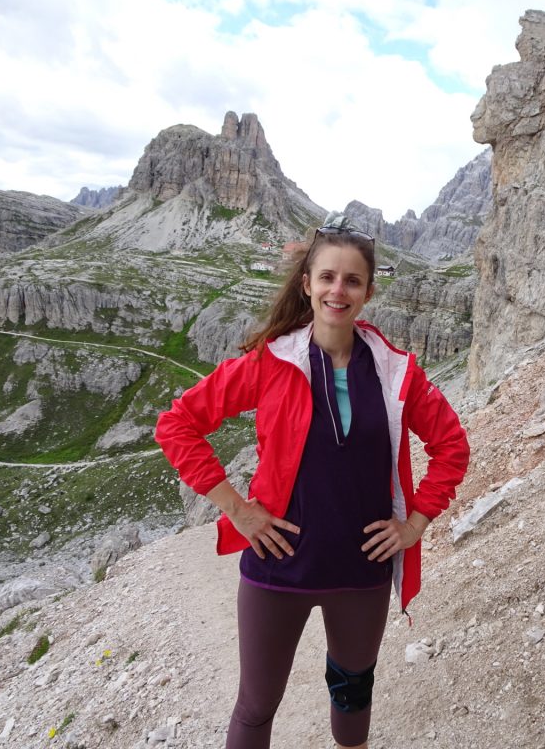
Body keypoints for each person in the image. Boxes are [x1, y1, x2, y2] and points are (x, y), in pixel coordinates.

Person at [155, 212, 470, 749]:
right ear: (307, 284)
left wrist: (414, 523)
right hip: (278, 567)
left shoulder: (396, 370)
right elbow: (177, 424)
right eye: (327, 277)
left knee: (352, 694)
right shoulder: (271, 361)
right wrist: (237, 508)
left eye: (351, 280)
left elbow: (452, 447)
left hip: (361, 568)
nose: (337, 290)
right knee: (256, 707)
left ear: (368, 291)